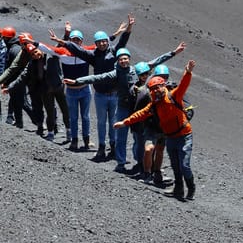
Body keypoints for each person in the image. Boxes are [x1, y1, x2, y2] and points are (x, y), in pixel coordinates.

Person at [64, 42, 185, 172]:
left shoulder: (137, 69)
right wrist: (77, 81)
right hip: (122, 108)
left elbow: (157, 61)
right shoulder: (115, 74)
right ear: (118, 60)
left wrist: (174, 52)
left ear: (129, 59)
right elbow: (97, 77)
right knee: (120, 137)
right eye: (121, 59)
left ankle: (140, 163)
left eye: (125, 58)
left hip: (136, 108)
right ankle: (121, 162)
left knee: (139, 137)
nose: (123, 61)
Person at [53, 13, 134, 161]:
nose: (102, 44)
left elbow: (123, 42)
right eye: (99, 42)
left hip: (114, 94)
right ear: (95, 43)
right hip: (100, 95)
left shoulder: (114, 52)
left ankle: (113, 147)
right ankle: (102, 147)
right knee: (102, 122)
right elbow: (77, 49)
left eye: (104, 41)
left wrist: (129, 28)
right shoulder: (92, 55)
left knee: (113, 122)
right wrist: (62, 41)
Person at [114, 60, 197, 201]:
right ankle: (178, 190)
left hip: (184, 135)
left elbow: (184, 84)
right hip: (170, 137)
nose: (155, 91)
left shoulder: (173, 95)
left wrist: (188, 72)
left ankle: (191, 187)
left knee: (184, 165)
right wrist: (124, 122)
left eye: (158, 87)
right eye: (152, 89)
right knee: (176, 166)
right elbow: (140, 114)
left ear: (163, 86)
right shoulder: (154, 105)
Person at [7, 43, 64, 141]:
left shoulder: (49, 57)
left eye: (36, 52)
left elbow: (57, 47)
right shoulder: (31, 63)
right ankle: (40, 127)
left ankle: (53, 127)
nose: (35, 55)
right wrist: (10, 87)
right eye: (32, 54)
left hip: (48, 89)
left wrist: (66, 35)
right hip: (36, 89)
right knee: (37, 108)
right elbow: (22, 77)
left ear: (40, 50)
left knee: (51, 109)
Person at [136, 64, 174, 186]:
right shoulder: (146, 91)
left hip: (164, 127)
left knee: (160, 150)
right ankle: (147, 173)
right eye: (161, 76)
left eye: (165, 77)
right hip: (150, 126)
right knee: (149, 149)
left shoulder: (170, 90)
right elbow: (138, 109)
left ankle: (156, 172)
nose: (163, 78)